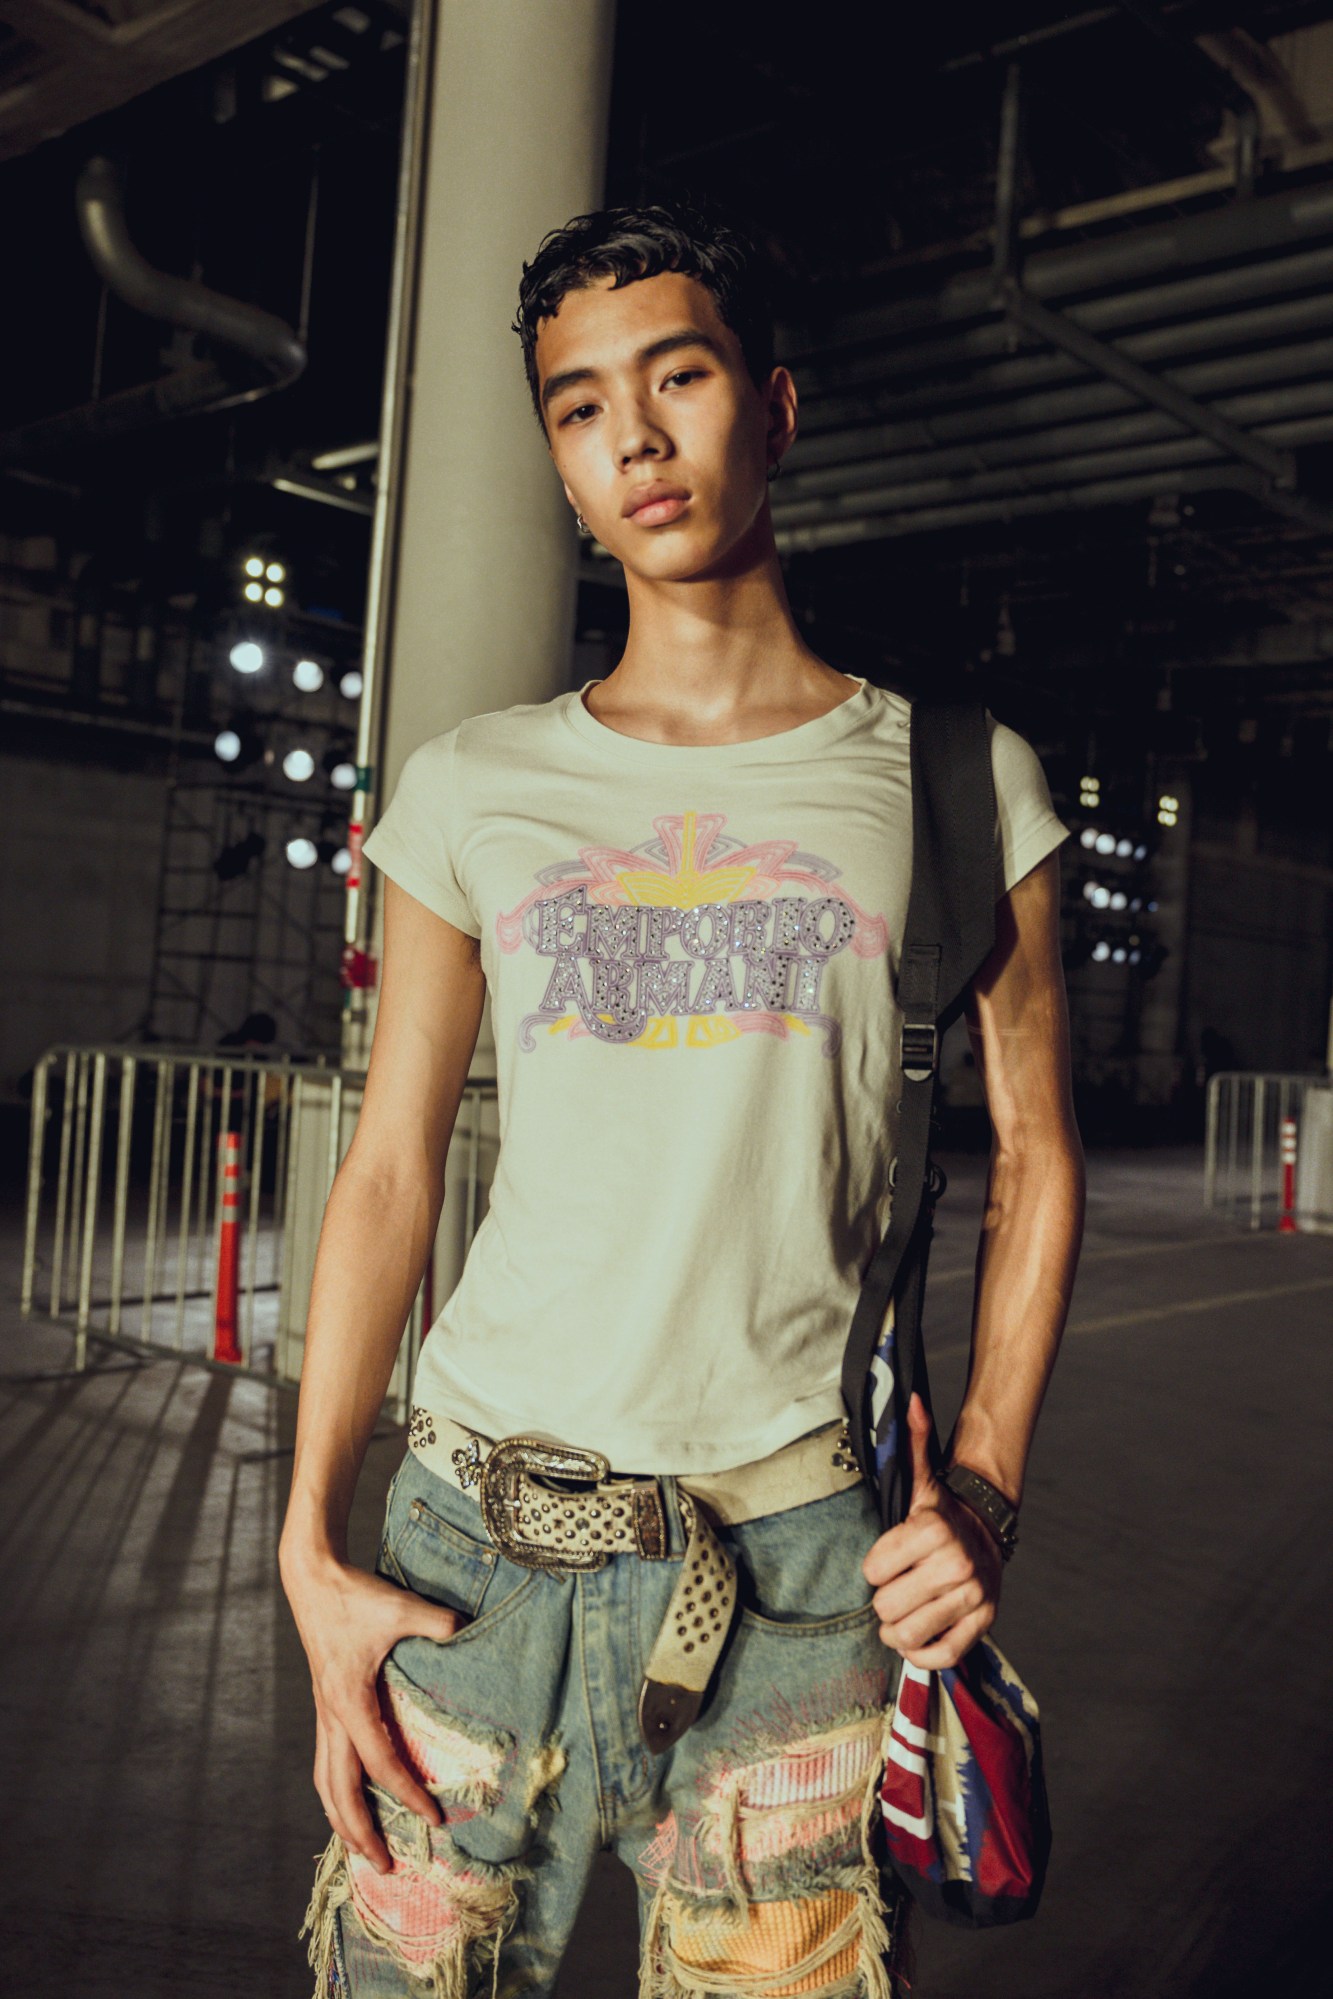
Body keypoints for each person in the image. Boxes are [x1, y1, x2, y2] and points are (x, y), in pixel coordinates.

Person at [279, 198, 1086, 1999]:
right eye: (577, 407)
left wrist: (982, 1495)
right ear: (558, 462)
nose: (632, 438)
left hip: (798, 1575)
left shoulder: (953, 779)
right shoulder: (474, 785)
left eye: (679, 377)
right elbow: (392, 1170)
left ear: (773, 410)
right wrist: (306, 1551)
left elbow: (1036, 1158)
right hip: (465, 1557)